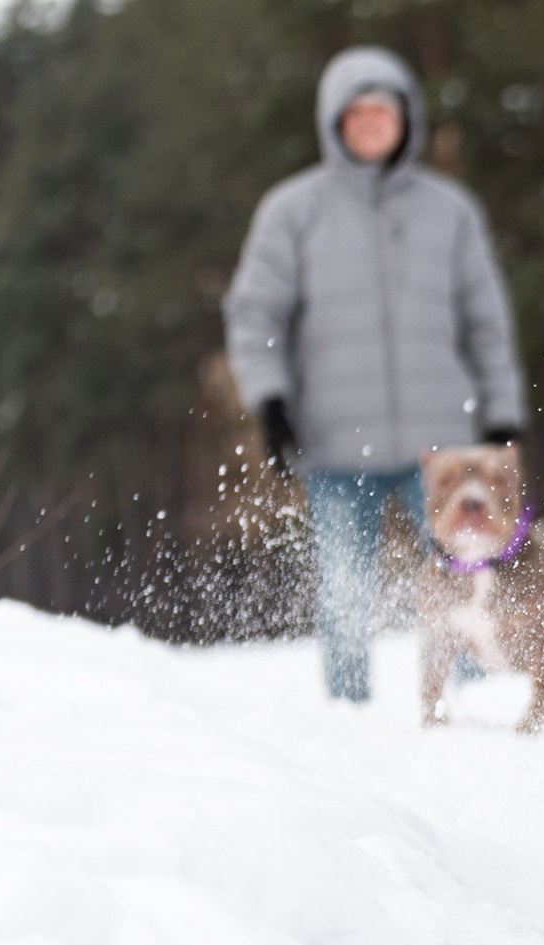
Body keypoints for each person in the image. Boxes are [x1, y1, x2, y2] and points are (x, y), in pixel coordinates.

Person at [224, 47, 527, 702]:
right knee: (343, 592)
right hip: (333, 442)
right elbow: (255, 316)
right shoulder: (291, 211)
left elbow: (487, 320)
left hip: (441, 450)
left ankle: (475, 703)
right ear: (333, 121)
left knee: (467, 578)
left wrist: (502, 409)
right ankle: (348, 716)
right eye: (355, 112)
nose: (369, 123)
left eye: (381, 110)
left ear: (406, 118)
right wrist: (270, 402)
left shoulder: (450, 211)